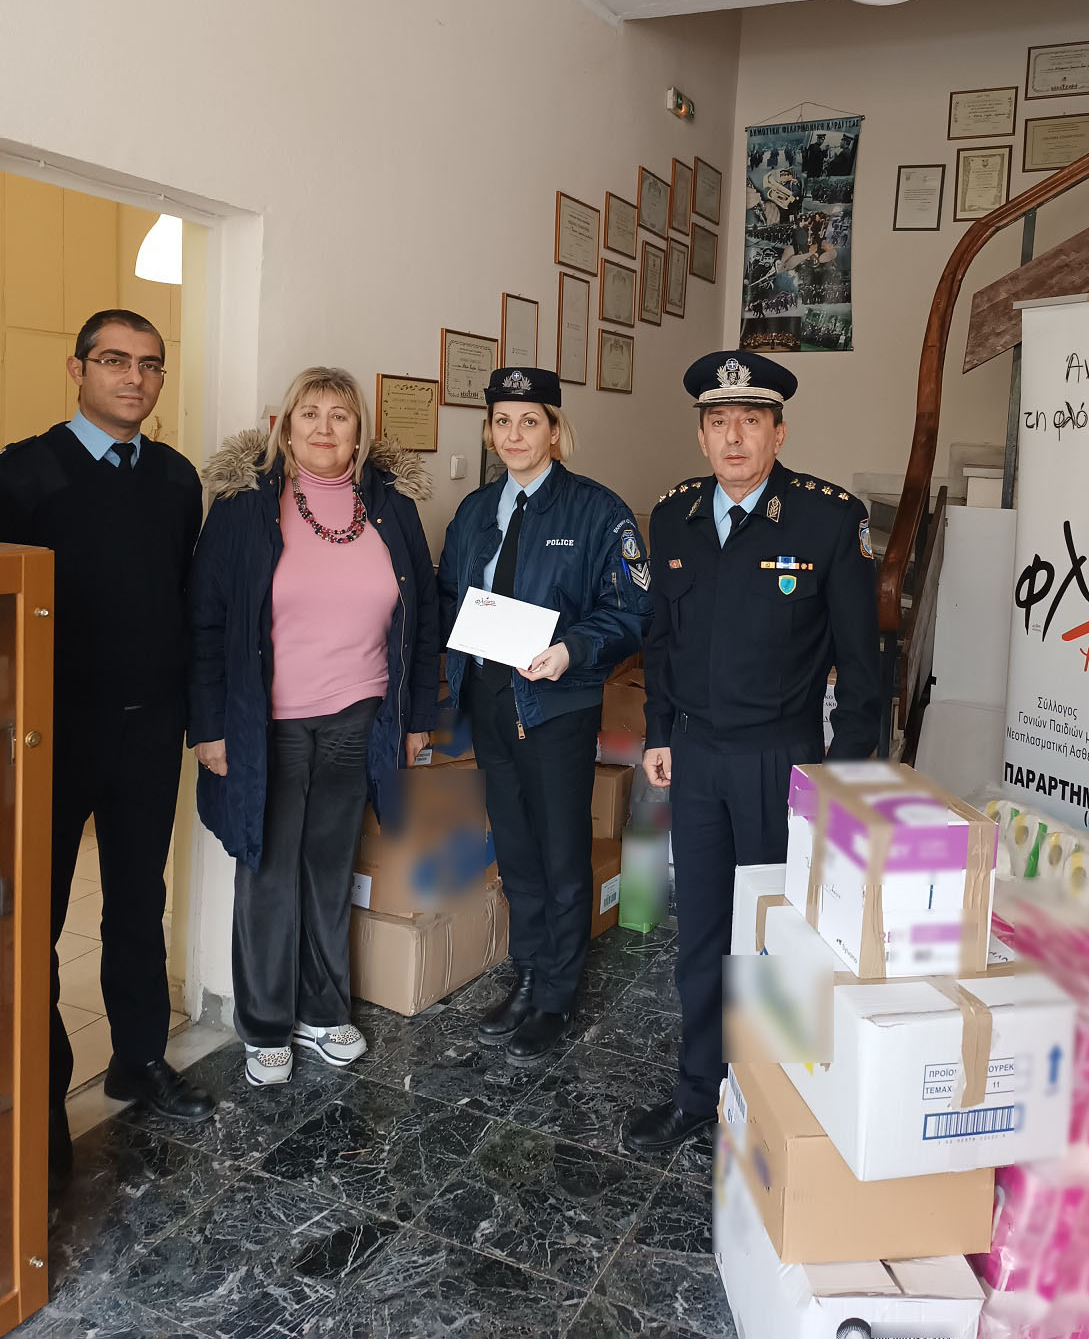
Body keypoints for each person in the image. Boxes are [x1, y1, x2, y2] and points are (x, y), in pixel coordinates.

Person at [624, 349, 880, 1154]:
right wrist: (658, 728)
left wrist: (843, 782)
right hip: (697, 758)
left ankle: (774, 1103)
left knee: (778, 937)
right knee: (701, 933)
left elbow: (865, 668)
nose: (734, 437)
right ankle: (698, 1090)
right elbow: (661, 639)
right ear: (701, 435)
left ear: (779, 432)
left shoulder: (827, 520)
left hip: (784, 760)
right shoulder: (674, 516)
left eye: (751, 421)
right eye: (718, 422)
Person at [0, 308, 214, 1191]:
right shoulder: (22, 472)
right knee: (36, 920)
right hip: (49, 734)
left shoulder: (176, 478)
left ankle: (138, 1060)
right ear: (78, 368)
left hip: (147, 729)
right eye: (116, 360)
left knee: (136, 899)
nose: (135, 377)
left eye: (150, 365)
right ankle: (42, 1103)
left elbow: (181, 599)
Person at [188, 366, 438, 1087]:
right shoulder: (243, 508)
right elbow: (205, 624)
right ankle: (266, 1024)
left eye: (340, 415)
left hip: (360, 716)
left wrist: (418, 717)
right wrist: (210, 727)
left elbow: (424, 618)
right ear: (285, 427)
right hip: (265, 724)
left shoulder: (391, 508)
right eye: (310, 413)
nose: (324, 428)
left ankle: (323, 1010)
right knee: (267, 867)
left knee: (329, 867)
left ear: (360, 432)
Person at [439, 367, 651, 1065]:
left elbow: (633, 610)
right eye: (502, 421)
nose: (514, 435)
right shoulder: (476, 510)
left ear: (555, 430)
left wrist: (571, 650)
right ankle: (528, 973)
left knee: (561, 851)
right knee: (517, 847)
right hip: (491, 698)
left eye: (529, 421)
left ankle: (557, 995)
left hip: (556, 704)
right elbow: (450, 597)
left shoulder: (597, 511)